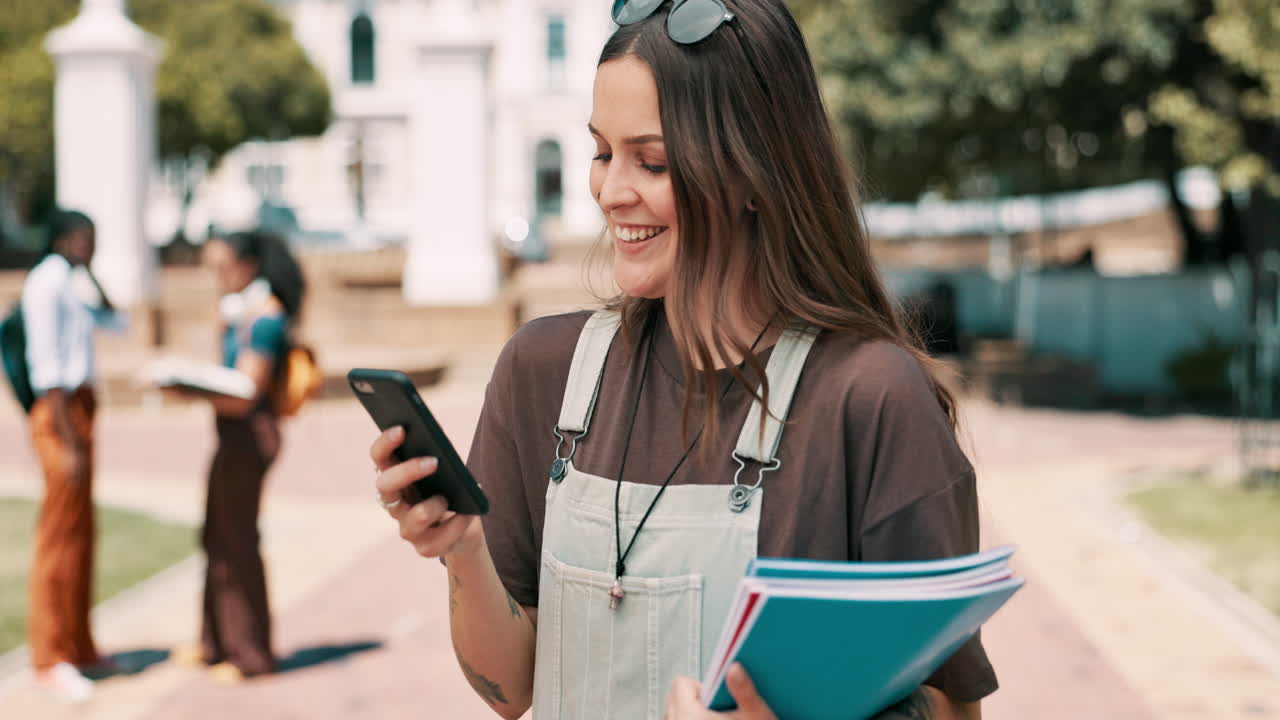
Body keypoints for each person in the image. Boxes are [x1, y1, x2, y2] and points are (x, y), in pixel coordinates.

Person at [372, 1, 994, 718]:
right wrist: (463, 550)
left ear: (756, 171)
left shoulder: (871, 397)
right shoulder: (540, 371)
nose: (611, 192)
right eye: (602, 153)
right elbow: (512, 691)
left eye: (654, 162)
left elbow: (951, 707)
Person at [169, 229, 305, 683]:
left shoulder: (264, 318)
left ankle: (251, 653)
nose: (217, 277)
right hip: (231, 436)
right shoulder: (239, 313)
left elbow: (247, 391)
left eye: (222, 267)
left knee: (238, 540)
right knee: (214, 536)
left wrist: (187, 388)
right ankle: (214, 643)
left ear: (248, 266)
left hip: (250, 436)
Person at [23, 209, 124, 703]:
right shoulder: (45, 283)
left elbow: (117, 322)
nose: (93, 249)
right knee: (59, 537)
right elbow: (48, 370)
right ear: (64, 239)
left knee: (82, 532)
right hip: (60, 415)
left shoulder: (72, 282)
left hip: (80, 409)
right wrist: (68, 441)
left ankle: (80, 644)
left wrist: (93, 276)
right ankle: (49, 656)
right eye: (87, 240)